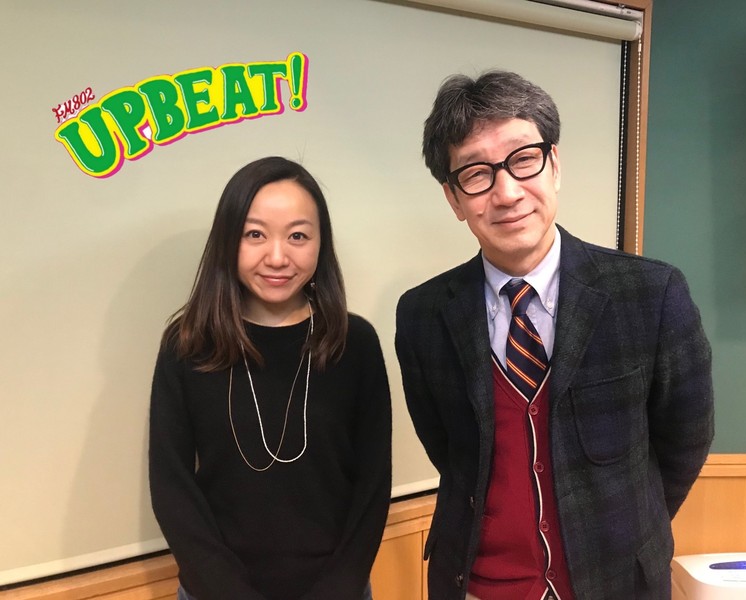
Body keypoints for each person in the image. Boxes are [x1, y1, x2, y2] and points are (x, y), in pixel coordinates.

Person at [394, 71, 714, 600]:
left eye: (524, 159)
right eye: (476, 173)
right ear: (453, 198)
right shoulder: (422, 315)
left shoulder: (650, 294)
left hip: (616, 583)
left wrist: (630, 529)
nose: (507, 192)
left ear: (555, 164)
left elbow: (686, 439)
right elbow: (448, 450)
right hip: (477, 585)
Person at [149, 157, 392, 600]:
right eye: (255, 235)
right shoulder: (188, 345)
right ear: (228, 240)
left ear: (320, 244)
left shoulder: (354, 343)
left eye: (298, 236)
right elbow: (172, 487)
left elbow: (373, 484)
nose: (277, 257)